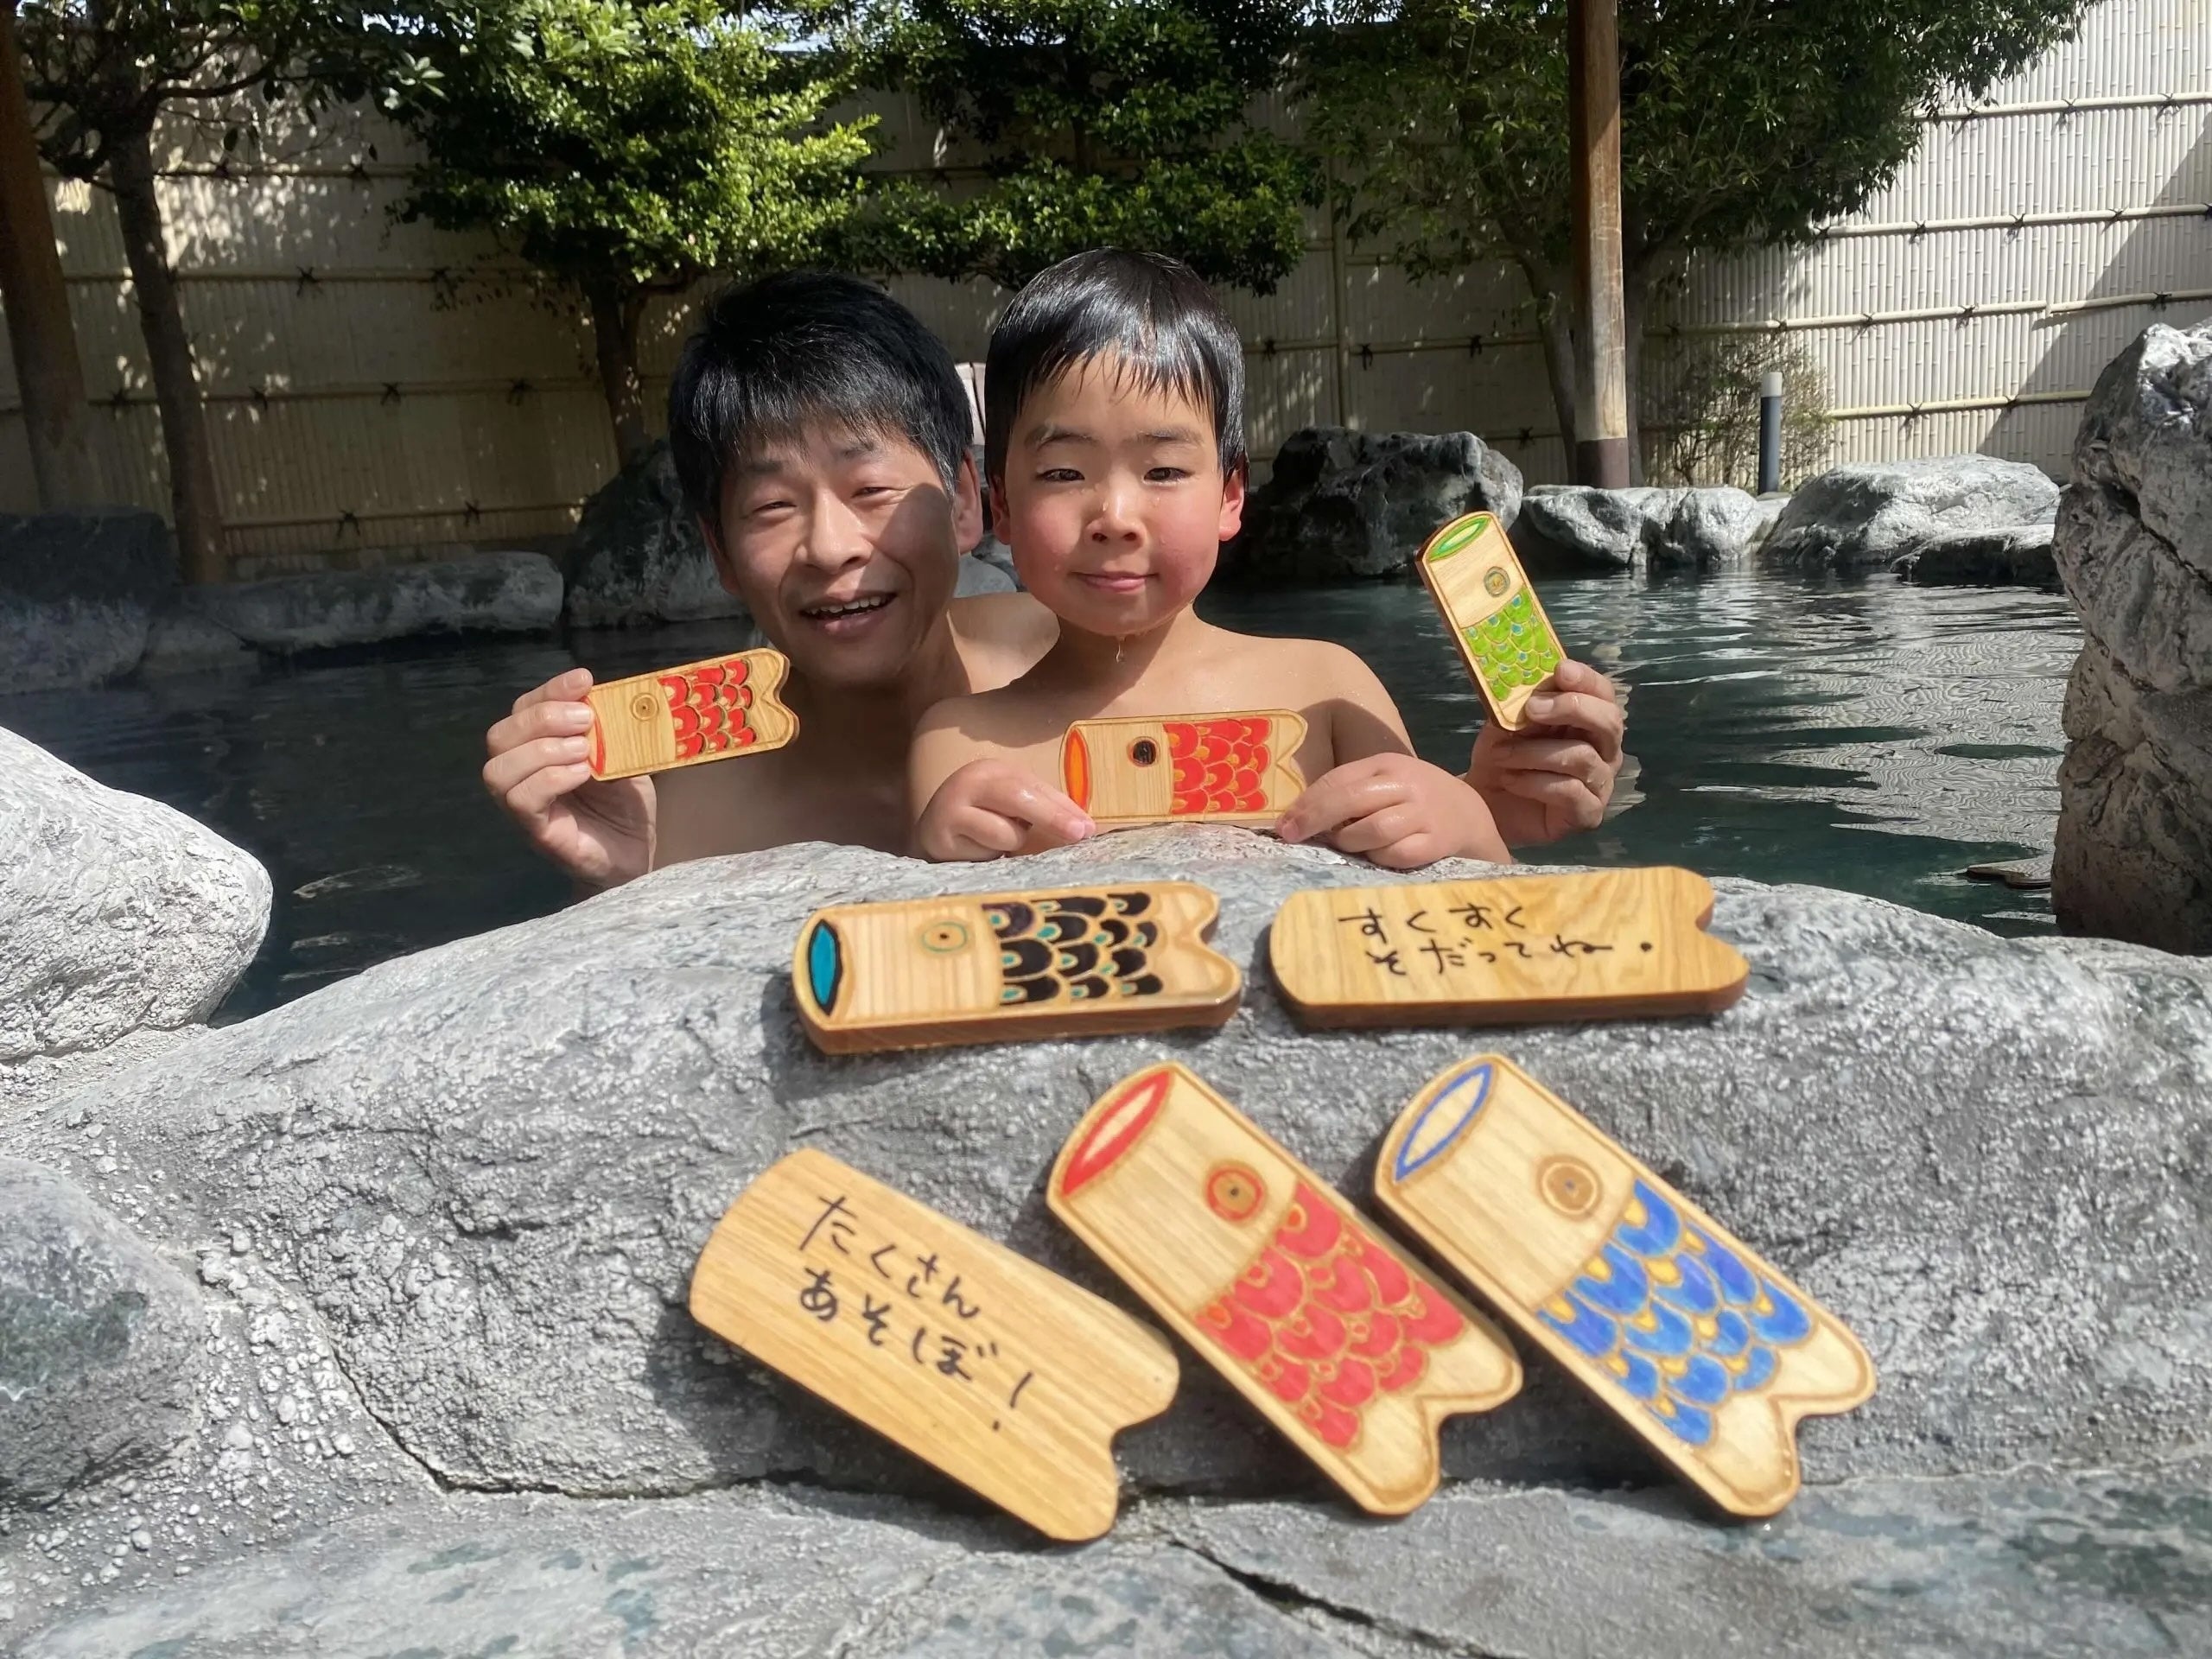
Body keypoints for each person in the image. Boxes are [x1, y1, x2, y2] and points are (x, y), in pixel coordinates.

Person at [911, 249, 1624, 868]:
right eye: (1064, 473)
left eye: (1164, 471)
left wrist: (1474, 820)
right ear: (1003, 505)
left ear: (1230, 496)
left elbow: (1444, 907)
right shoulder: (959, 750)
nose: (1116, 518)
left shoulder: (1329, 690)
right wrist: (934, 865)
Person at [481, 271, 1057, 886]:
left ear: (963, 501)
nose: (829, 548)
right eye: (773, 506)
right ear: (721, 553)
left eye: (870, 489)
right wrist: (620, 884)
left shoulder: (1088, 663)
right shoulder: (675, 822)